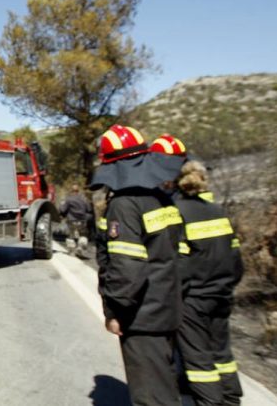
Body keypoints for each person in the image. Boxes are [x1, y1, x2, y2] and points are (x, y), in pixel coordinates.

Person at [91, 124, 185, 406]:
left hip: (141, 317)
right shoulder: (161, 198)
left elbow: (127, 269)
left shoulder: (124, 204)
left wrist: (115, 311)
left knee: (151, 398)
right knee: (166, 388)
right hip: (167, 308)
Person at [152, 135, 244, 405]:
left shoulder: (175, 212)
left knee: (198, 361)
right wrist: (226, 285)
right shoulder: (217, 210)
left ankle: (210, 401)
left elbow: (179, 264)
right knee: (222, 355)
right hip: (223, 294)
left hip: (194, 299)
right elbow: (236, 258)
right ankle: (231, 399)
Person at [60, 183, 94, 258]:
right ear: (78, 191)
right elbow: (89, 209)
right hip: (82, 220)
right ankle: (80, 248)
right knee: (83, 235)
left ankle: (71, 251)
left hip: (71, 220)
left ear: (71, 191)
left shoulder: (68, 199)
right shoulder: (84, 199)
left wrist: (61, 206)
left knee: (71, 236)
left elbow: (63, 210)